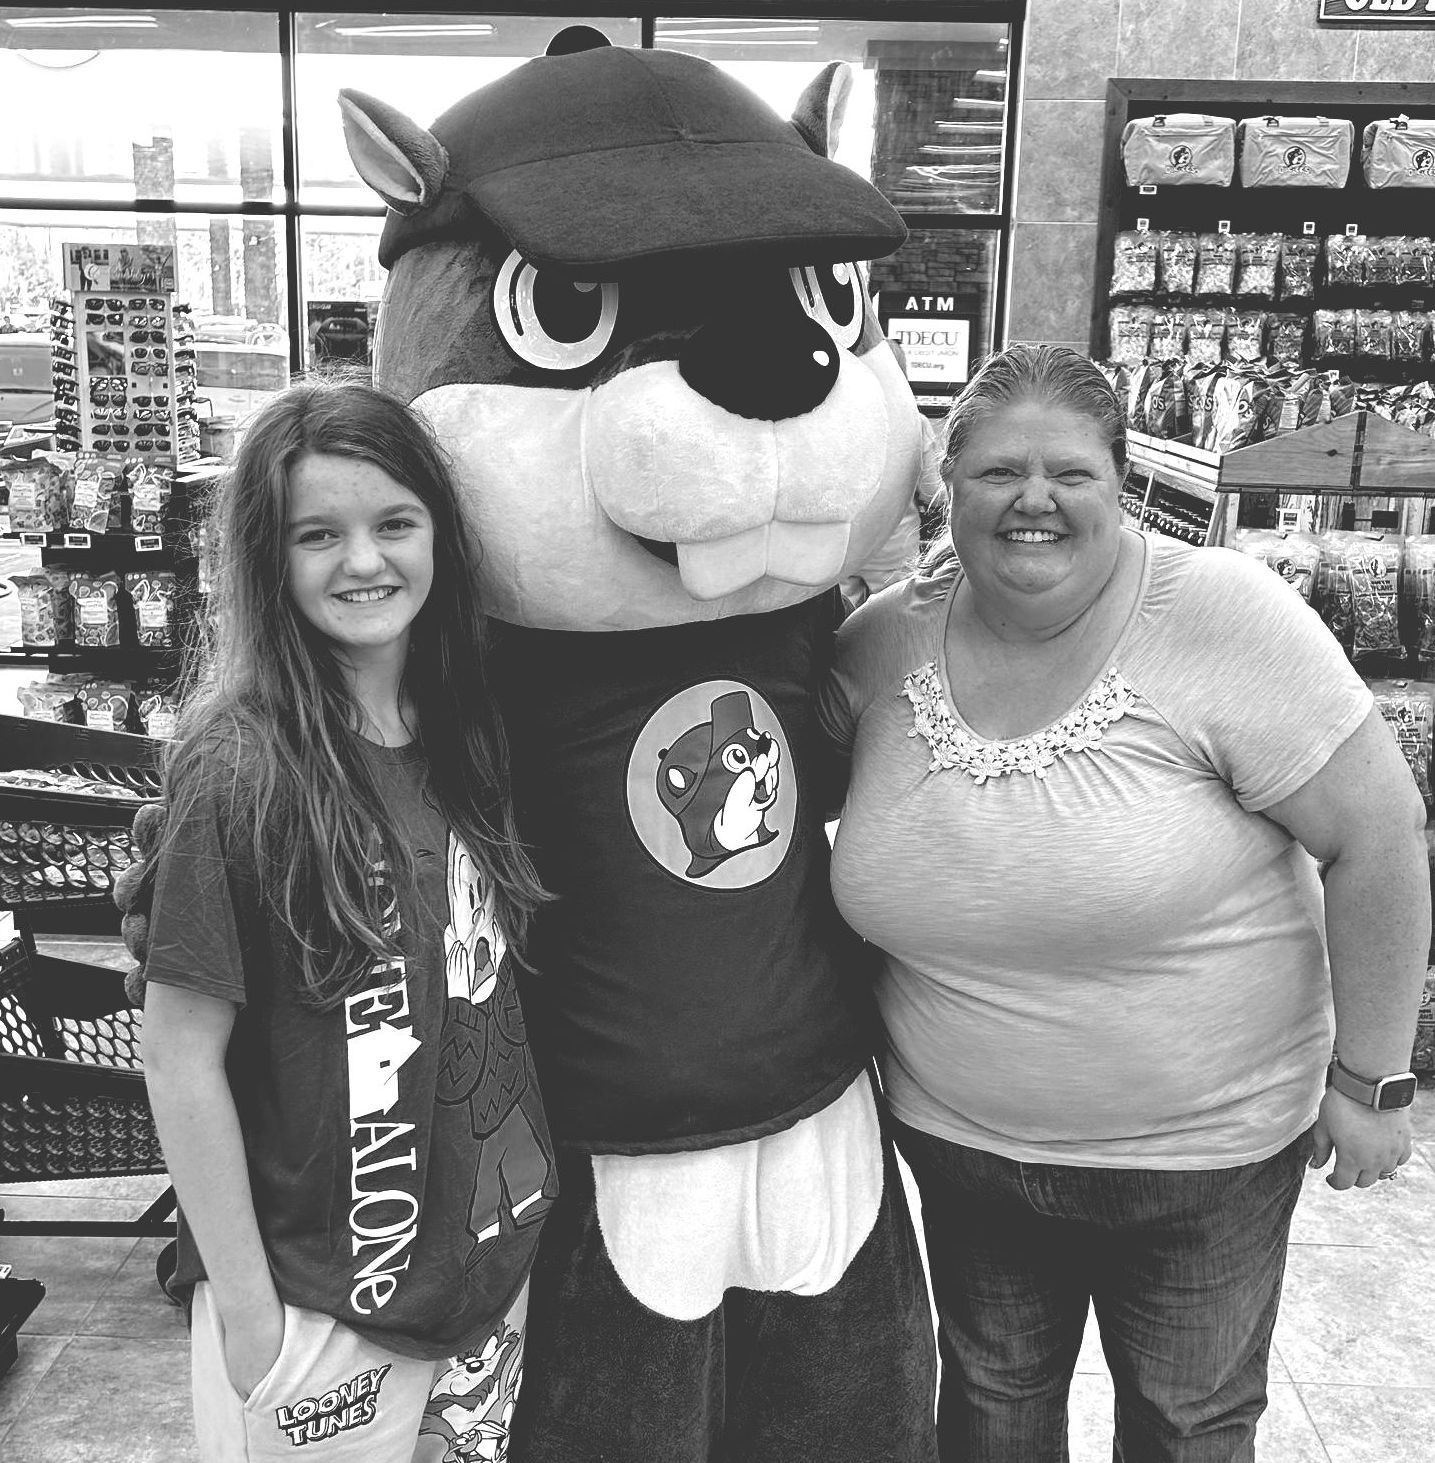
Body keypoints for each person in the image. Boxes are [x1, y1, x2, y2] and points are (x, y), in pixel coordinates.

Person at [819, 343, 1429, 1462]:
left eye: (1071, 472)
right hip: (965, 1153)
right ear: (943, 486)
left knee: (1186, 1423)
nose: (1033, 499)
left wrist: (1371, 1078)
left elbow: (1378, 836)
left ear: (1123, 483)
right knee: (993, 1409)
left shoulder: (1224, 616)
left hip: (1201, 1162)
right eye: (997, 472)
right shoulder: (881, 646)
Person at [139, 379, 554, 1462]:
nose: (363, 561)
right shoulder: (239, 770)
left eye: (393, 523)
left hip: (481, 1279)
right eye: (318, 534)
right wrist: (247, 1314)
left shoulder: (473, 728)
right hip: (318, 1309)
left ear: (439, 536)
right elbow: (180, 1054)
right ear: (265, 559)